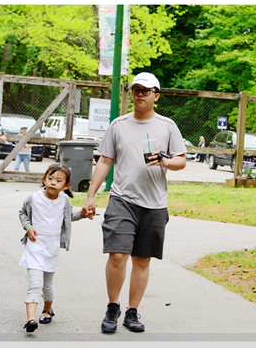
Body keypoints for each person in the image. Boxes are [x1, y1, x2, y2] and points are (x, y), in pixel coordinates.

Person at [80, 72, 187, 333]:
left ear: (156, 96)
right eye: (136, 89)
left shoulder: (167, 126)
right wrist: (91, 196)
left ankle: (132, 311)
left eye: (146, 90)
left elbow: (181, 161)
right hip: (122, 199)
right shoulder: (118, 125)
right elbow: (105, 160)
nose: (140, 94)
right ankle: (113, 306)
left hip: (154, 203)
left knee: (142, 259)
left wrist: (165, 160)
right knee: (117, 254)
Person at [18, 163, 86, 332]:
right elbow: (22, 213)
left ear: (66, 185)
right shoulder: (33, 198)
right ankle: (31, 319)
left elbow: (71, 216)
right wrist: (28, 228)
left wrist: (84, 213)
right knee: (35, 284)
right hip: (34, 246)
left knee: (47, 285)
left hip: (52, 247)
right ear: (44, 179)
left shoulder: (64, 202)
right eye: (50, 178)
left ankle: (48, 309)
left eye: (58, 180)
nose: (53, 183)